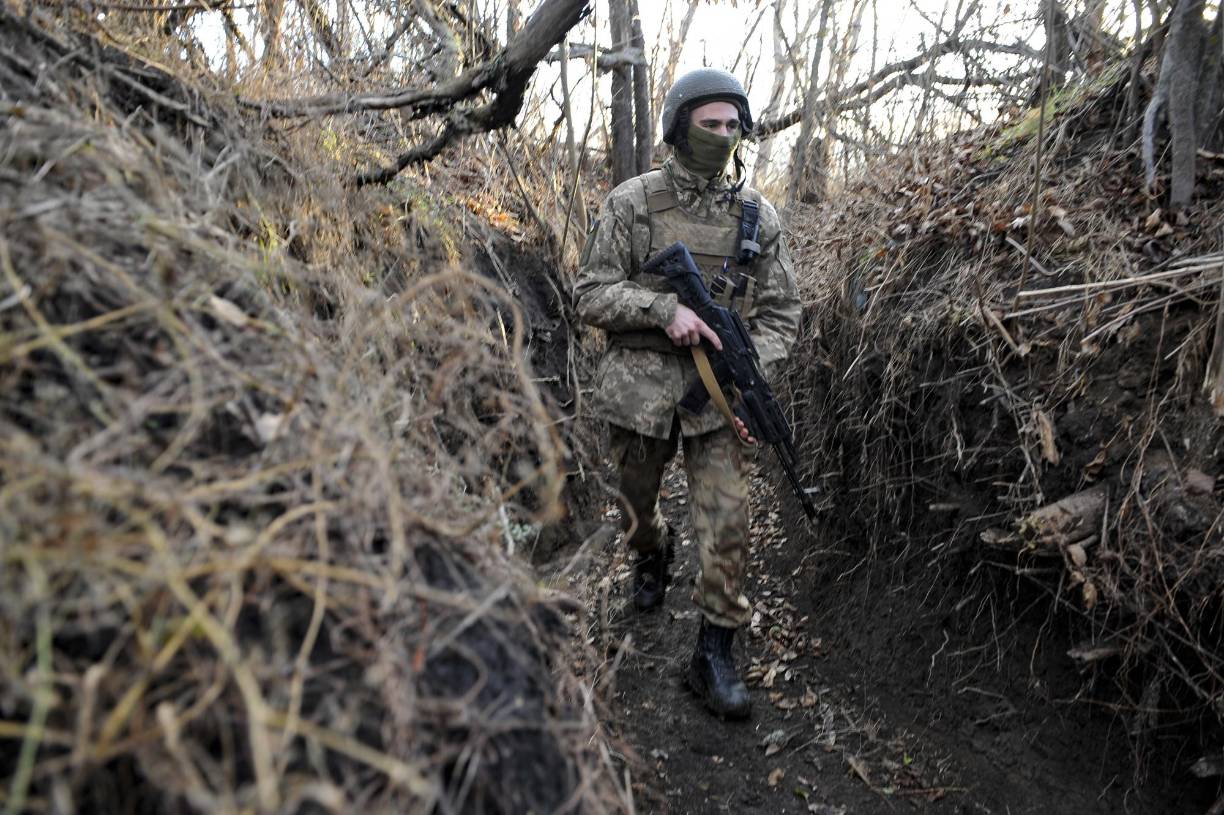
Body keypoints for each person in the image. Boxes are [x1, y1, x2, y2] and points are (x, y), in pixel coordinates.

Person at [572, 68, 801, 719]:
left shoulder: (760, 217)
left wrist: (750, 372)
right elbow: (589, 292)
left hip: (719, 397)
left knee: (729, 518)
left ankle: (714, 652)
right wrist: (662, 309)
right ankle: (653, 553)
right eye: (711, 125)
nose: (723, 136)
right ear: (679, 126)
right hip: (639, 391)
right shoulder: (633, 203)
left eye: (733, 127)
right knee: (635, 508)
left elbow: (784, 313)